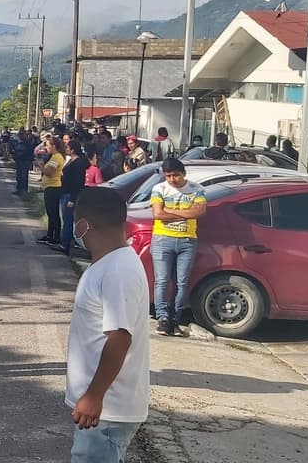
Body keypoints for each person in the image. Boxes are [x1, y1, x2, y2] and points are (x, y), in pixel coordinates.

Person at [66, 187, 151, 463]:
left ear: (83, 225)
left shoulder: (118, 271)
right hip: (103, 408)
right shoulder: (110, 264)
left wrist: (94, 395)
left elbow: (120, 337)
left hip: (108, 410)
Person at [150, 158, 206, 335]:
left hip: (187, 241)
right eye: (168, 176)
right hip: (162, 239)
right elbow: (158, 214)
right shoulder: (159, 189)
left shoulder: (196, 190)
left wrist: (170, 212)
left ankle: (175, 317)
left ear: (183, 174)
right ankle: (163, 318)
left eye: (176, 175)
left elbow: (200, 212)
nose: (172, 179)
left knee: (181, 283)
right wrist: (185, 214)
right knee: (162, 281)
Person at [57, 141, 91, 255]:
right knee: (67, 219)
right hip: (65, 191)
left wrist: (72, 198)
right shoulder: (71, 160)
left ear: (72, 150)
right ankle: (67, 241)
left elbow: (77, 182)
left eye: (67, 147)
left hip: (70, 194)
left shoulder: (78, 163)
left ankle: (65, 244)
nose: (65, 149)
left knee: (68, 220)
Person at [37, 138, 66, 246]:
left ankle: (56, 237)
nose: (46, 148)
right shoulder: (53, 157)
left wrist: (40, 165)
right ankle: (50, 235)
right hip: (50, 187)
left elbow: (48, 172)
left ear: (54, 146)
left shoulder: (56, 157)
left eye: (48, 145)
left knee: (53, 213)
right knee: (50, 213)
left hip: (54, 187)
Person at [11, 130, 35, 195]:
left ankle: (24, 190)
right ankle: (19, 189)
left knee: (23, 176)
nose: (20, 136)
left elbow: (30, 152)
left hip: (25, 160)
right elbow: (14, 150)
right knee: (18, 176)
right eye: (20, 134)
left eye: (22, 134)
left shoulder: (27, 142)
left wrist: (30, 161)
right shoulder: (17, 142)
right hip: (19, 160)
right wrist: (14, 156)